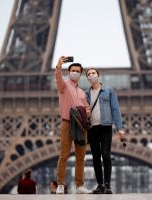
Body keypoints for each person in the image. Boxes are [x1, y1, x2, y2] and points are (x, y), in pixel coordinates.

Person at [54, 56, 91, 194]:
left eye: (77, 71)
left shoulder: (81, 92)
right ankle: (61, 184)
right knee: (64, 155)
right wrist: (59, 65)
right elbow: (58, 79)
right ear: (69, 71)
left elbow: (87, 108)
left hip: (80, 126)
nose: (75, 72)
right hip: (67, 123)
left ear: (80, 74)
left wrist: (86, 114)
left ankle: (79, 185)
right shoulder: (63, 86)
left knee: (81, 157)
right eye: (73, 70)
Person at [85, 68, 124, 194]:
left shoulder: (108, 90)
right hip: (92, 129)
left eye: (93, 73)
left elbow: (115, 109)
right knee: (96, 157)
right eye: (89, 74)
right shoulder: (86, 94)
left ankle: (107, 185)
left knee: (106, 155)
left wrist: (120, 128)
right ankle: (100, 185)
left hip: (105, 127)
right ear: (87, 78)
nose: (92, 75)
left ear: (98, 75)